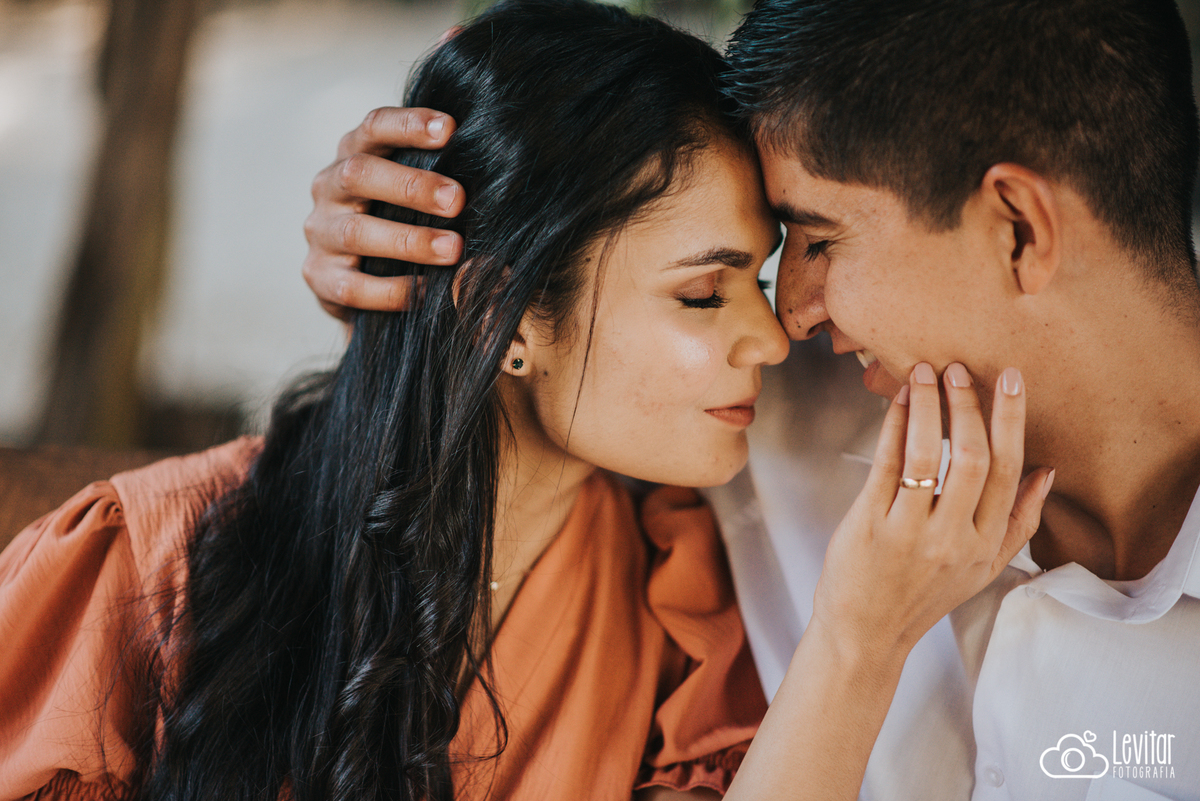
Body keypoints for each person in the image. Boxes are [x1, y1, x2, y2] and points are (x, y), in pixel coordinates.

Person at [0, 3, 1047, 801]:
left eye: (761, 281)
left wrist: (860, 639)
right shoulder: (145, 564)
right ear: (505, 313)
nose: (774, 338)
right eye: (702, 291)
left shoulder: (679, 618)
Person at [302, 0, 1200, 799]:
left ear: (1017, 228)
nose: (791, 317)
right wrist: (406, 244)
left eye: (819, 237)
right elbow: (574, 303)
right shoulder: (747, 412)